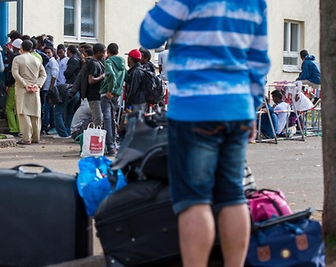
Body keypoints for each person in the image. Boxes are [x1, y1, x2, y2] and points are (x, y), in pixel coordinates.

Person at [139, 0, 270, 266]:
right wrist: (253, 106)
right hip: (238, 107)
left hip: (195, 109)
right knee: (233, 195)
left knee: (194, 199)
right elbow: (259, 60)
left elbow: (149, 35)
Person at [11, 40, 47, 145]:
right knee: (35, 114)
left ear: (21, 47)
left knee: (23, 113)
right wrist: (37, 84)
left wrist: (24, 84)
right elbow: (43, 75)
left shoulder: (17, 59)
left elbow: (15, 74)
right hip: (35, 89)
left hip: (22, 89)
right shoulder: (36, 59)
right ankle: (36, 137)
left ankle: (26, 138)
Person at [100, 43, 127, 156]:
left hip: (107, 94)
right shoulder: (122, 62)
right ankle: (114, 144)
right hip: (117, 94)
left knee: (107, 118)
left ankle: (110, 146)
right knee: (112, 118)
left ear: (108, 52)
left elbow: (111, 74)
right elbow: (126, 75)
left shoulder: (108, 62)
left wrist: (110, 90)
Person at [5, 38, 23, 135]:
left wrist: (7, 84)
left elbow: (10, 72)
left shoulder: (13, 57)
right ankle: (20, 128)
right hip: (22, 86)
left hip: (13, 84)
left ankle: (13, 128)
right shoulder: (25, 57)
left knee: (9, 108)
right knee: (18, 107)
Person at [86, 43, 106, 127]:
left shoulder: (99, 62)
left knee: (99, 118)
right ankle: (95, 138)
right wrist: (102, 76)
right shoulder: (93, 63)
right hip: (94, 95)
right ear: (98, 53)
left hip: (98, 95)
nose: (104, 55)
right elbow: (91, 80)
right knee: (97, 119)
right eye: (103, 53)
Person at [41, 45, 60, 135]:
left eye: (49, 52)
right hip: (45, 86)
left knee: (47, 108)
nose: (47, 54)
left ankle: (46, 126)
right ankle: (50, 125)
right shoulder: (47, 61)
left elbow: (54, 75)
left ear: (52, 53)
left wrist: (51, 88)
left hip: (49, 88)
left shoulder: (53, 62)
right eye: (45, 53)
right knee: (49, 108)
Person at [125, 49, 147, 113]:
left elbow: (133, 89)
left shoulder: (136, 72)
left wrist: (128, 103)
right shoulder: (141, 69)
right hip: (142, 101)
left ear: (131, 59)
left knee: (136, 121)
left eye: (128, 57)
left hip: (137, 102)